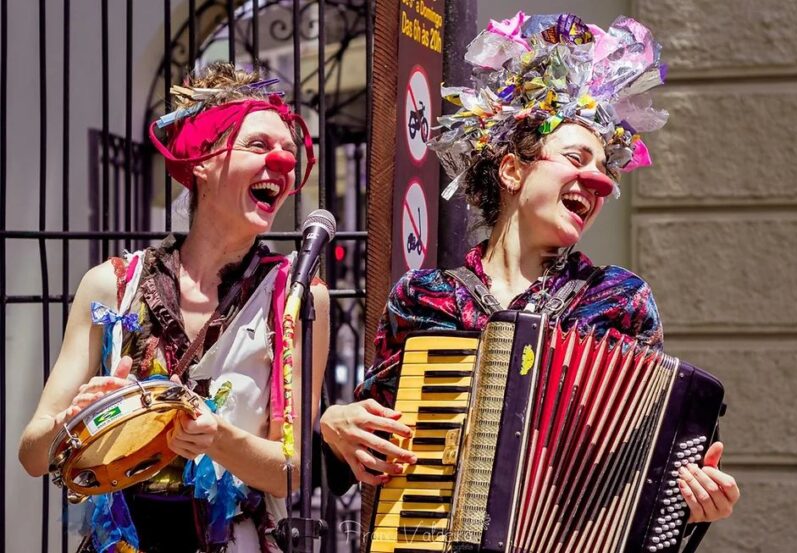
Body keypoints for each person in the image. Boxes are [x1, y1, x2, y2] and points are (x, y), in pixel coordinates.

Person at [320, 11, 739, 533]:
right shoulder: (425, 298)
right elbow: (368, 445)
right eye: (576, 157)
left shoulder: (618, 301)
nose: (598, 182)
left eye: (605, 171)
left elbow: (650, 477)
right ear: (512, 169)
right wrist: (333, 427)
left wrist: (696, 504)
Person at [18, 62, 329, 553]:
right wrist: (77, 420)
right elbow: (34, 455)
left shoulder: (296, 295)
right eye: (258, 146)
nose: (283, 164)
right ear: (202, 161)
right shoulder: (111, 285)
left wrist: (218, 438)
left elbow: (292, 475)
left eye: (289, 151)